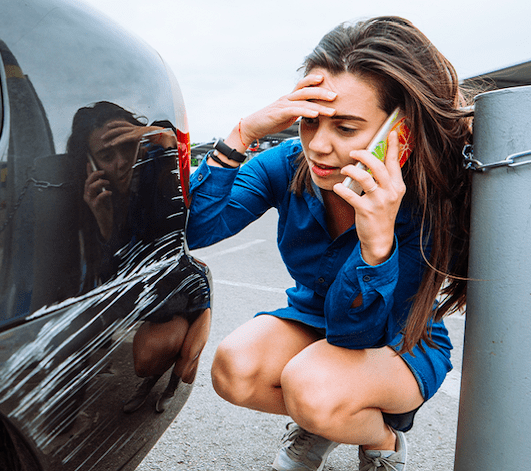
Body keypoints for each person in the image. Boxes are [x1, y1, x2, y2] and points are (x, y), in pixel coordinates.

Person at [186, 16, 472, 471]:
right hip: (314, 318)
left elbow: (355, 334)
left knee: (312, 387)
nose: (318, 146)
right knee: (233, 369)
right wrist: (242, 134)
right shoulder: (286, 163)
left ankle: (380, 440)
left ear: (401, 134)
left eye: (345, 128)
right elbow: (197, 230)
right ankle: (331, 417)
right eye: (308, 121)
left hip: (398, 340)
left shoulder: (434, 194)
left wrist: (375, 244)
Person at [67, 102, 211, 413]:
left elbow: (173, 231)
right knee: (146, 363)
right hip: (151, 294)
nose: (122, 163)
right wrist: (104, 222)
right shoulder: (87, 201)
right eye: (107, 155)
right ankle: (145, 388)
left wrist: (164, 142)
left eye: (129, 147)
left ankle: (169, 388)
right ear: (89, 163)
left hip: (184, 290)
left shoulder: (155, 182)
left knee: (184, 368)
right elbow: (110, 278)